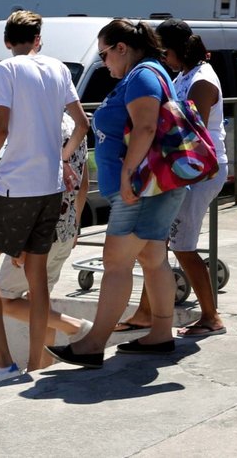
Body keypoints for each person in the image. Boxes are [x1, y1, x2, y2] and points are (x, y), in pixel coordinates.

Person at [50, 20, 187, 368]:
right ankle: (160, 334)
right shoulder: (147, 73)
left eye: (105, 55)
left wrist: (127, 175)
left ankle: (93, 344)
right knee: (153, 259)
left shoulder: (142, 75)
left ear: (122, 48)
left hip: (140, 190)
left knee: (115, 263)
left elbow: (145, 126)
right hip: (151, 189)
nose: (105, 64)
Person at [0, 10, 89, 383]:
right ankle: (36, 365)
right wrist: (62, 161)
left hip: (16, 186)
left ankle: (2, 364)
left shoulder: (5, 69)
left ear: (6, 40)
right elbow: (82, 124)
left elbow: (0, 130)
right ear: (38, 39)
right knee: (38, 281)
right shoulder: (59, 69)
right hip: (51, 188)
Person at [121, 20, 230, 337]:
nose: (160, 59)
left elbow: (192, 133)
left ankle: (211, 317)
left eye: (162, 52)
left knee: (182, 246)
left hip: (199, 170)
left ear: (172, 50)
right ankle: (144, 312)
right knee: (159, 243)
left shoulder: (202, 80)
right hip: (186, 169)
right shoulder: (184, 75)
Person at [0, 111, 89, 348]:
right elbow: (83, 181)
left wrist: (21, 241)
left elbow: (33, 187)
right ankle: (41, 366)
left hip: (39, 235)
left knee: (3, 301)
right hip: (65, 231)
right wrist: (74, 224)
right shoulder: (73, 122)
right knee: (40, 302)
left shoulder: (37, 125)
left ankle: (77, 328)